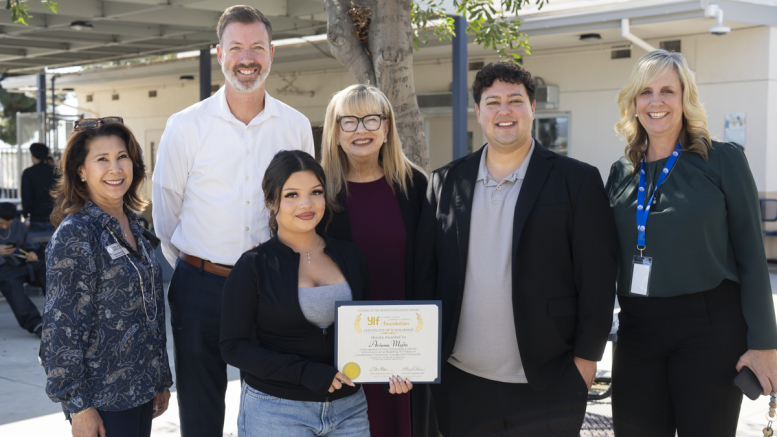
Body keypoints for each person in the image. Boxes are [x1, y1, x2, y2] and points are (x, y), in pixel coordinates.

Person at [415, 62, 618, 436]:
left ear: (533, 108)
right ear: (478, 113)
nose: (504, 111)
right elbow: (426, 277)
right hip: (461, 381)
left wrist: (586, 362)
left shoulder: (577, 180)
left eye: (514, 100)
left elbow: (598, 280)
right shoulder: (445, 182)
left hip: (550, 379)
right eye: (492, 102)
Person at [151, 6, 314, 436]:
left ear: (272, 53)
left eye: (257, 47)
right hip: (200, 284)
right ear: (219, 52)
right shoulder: (185, 126)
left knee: (274, 401)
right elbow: (166, 210)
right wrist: (199, 261)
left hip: (272, 284)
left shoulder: (295, 126)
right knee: (200, 405)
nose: (248, 57)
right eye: (237, 47)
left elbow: (304, 208)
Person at [607, 49, 777, 436]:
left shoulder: (722, 160)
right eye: (645, 91)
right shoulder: (620, 172)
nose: (656, 101)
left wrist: (766, 345)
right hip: (637, 329)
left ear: (685, 98)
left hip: (710, 329)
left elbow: (752, 256)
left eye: (668, 90)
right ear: (634, 103)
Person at [220, 150, 371, 436]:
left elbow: (369, 331)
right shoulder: (253, 266)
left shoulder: (351, 256)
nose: (306, 204)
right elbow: (233, 346)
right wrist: (304, 372)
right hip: (276, 411)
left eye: (315, 192)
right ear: (270, 201)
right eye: (291, 195)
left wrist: (392, 369)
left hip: (348, 409)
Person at [41, 118, 172, 437]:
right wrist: (79, 408)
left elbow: (149, 312)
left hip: (141, 391)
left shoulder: (134, 227)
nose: (115, 168)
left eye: (122, 156)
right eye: (102, 159)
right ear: (80, 171)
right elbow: (61, 330)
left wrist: (159, 379)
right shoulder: (77, 234)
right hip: (103, 401)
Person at [318, 84, 436, 437]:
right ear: (335, 131)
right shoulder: (320, 191)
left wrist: (421, 352)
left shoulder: (415, 186)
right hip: (342, 352)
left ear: (387, 128)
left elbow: (431, 268)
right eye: (349, 121)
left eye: (372, 119)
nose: (361, 129)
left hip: (406, 350)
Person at [0, 201, 45, 337]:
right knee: (11, 283)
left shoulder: (19, 226)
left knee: (48, 271)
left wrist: (31, 254)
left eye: (7, 224)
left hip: (24, 264)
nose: (4, 226)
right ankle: (35, 324)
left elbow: (29, 245)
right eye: (1, 223)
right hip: (4, 268)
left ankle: (60, 316)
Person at [21, 142, 56, 232]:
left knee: (36, 245)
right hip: (56, 218)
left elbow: (27, 196)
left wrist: (26, 216)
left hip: (36, 218)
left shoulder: (28, 173)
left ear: (32, 155)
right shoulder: (56, 172)